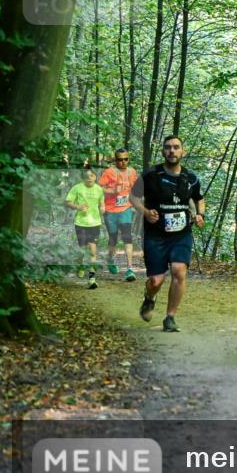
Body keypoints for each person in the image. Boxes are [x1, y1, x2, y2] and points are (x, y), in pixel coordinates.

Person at [130, 135, 205, 333]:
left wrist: (199, 215)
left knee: (179, 271)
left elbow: (199, 199)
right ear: (163, 151)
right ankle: (149, 297)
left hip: (181, 234)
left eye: (176, 147)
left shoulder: (191, 178)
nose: (172, 151)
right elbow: (133, 197)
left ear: (182, 152)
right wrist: (146, 212)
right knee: (156, 281)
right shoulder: (150, 175)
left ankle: (170, 317)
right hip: (155, 235)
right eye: (168, 147)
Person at [98, 147, 138, 281]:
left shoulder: (132, 172)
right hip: (110, 211)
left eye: (126, 159)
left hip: (125, 209)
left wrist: (134, 204)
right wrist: (113, 191)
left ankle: (130, 269)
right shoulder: (109, 172)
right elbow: (99, 188)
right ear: (116, 160)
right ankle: (110, 259)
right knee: (113, 239)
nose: (123, 162)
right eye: (120, 160)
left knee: (127, 236)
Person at [64, 168, 106, 289]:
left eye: (92, 175)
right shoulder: (77, 188)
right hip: (81, 223)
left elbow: (102, 204)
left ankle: (92, 278)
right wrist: (77, 206)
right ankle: (80, 265)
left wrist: (103, 209)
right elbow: (68, 202)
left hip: (95, 223)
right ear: (83, 178)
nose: (89, 178)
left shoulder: (99, 189)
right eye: (87, 176)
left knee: (92, 250)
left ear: (95, 177)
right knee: (82, 250)